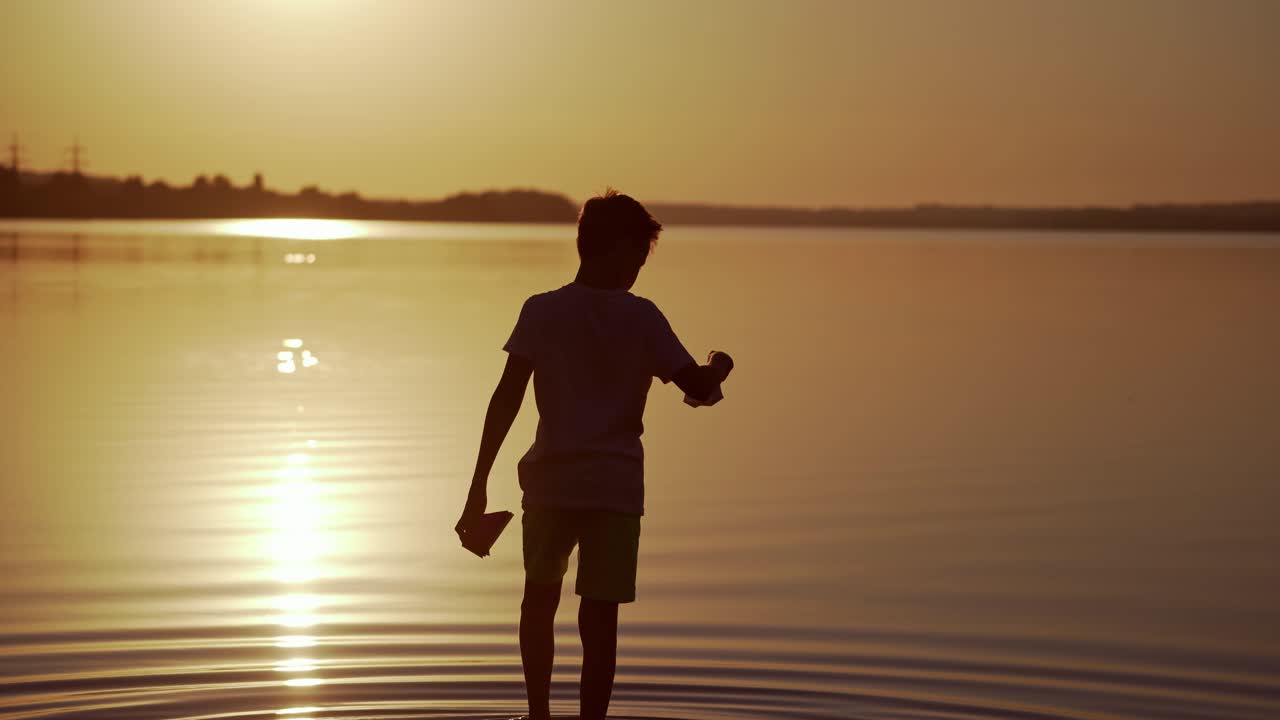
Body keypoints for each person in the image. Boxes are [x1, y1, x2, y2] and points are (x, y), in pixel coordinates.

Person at [455, 189, 733, 720]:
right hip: (614, 490)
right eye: (638, 257)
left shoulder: (541, 311)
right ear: (618, 250)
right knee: (599, 619)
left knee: (539, 601)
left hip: (550, 484)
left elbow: (505, 400)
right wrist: (720, 366)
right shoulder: (643, 318)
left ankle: (538, 715)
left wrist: (478, 487)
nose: (638, 269)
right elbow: (696, 388)